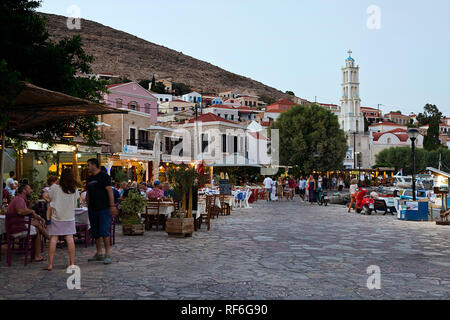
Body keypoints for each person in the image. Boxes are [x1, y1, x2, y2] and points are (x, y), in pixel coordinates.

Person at [44, 169, 79, 271]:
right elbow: (75, 202)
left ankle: (50, 264)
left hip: (56, 216)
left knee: (53, 239)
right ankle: (72, 263)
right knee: (70, 239)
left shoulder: (55, 188)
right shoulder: (74, 188)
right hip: (69, 216)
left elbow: (47, 196)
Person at [85, 158, 118, 265]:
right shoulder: (89, 178)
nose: (87, 167)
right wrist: (87, 204)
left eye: (89, 165)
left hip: (104, 207)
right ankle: (99, 253)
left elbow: (109, 190)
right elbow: (88, 193)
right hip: (92, 208)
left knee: (104, 231)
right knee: (95, 231)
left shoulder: (104, 176)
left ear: (95, 165)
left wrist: (112, 205)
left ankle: (107, 254)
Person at [6, 184, 48, 262]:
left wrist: (37, 217)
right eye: (29, 189)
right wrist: (32, 211)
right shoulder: (19, 200)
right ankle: (38, 254)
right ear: (24, 191)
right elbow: (20, 211)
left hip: (16, 225)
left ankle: (50, 240)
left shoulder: (19, 199)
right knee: (37, 229)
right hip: (16, 228)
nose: (31, 190)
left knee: (36, 224)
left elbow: (23, 214)